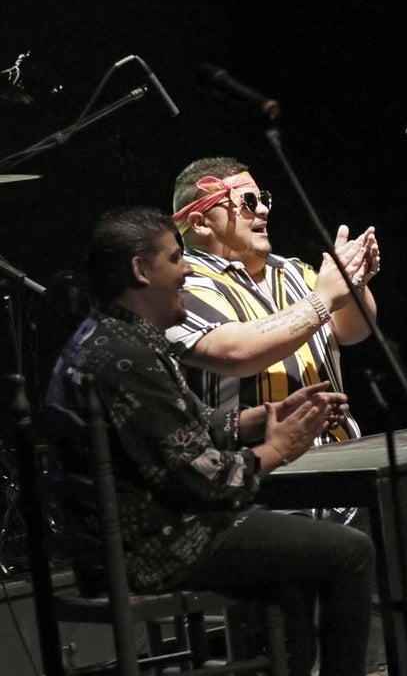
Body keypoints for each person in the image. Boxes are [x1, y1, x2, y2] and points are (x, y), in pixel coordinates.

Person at [44, 206, 376, 676]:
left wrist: (265, 417)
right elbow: (208, 480)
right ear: (141, 270)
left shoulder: (112, 337)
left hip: (144, 536)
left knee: (304, 554)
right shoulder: (124, 357)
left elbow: (187, 423)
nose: (186, 273)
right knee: (348, 550)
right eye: (176, 259)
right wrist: (277, 448)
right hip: (156, 546)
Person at [166, 156, 407, 592]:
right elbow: (237, 352)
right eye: (248, 201)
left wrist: (354, 283)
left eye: (264, 199)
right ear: (201, 223)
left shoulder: (293, 271)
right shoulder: (184, 284)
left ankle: (375, 647)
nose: (264, 210)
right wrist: (322, 299)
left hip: (342, 459)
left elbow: (354, 330)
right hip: (261, 473)